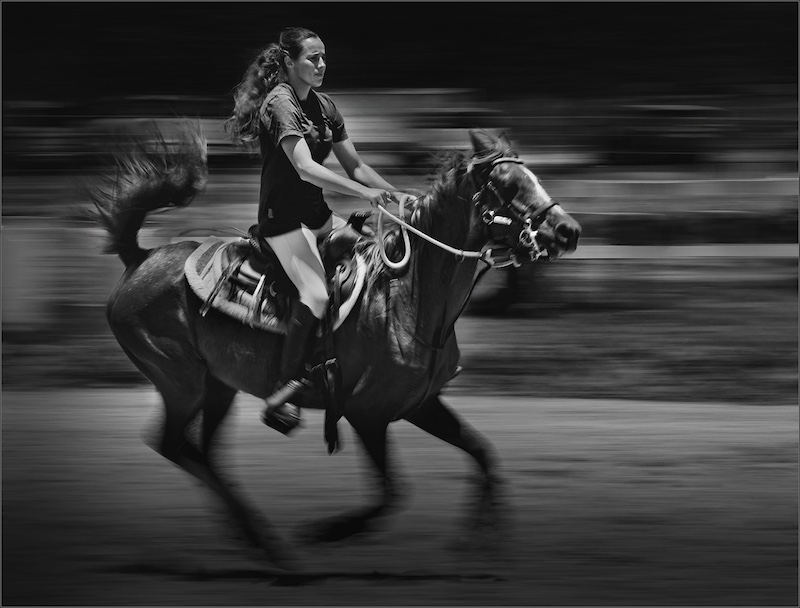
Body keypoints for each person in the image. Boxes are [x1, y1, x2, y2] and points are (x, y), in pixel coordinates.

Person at [225, 27, 414, 435]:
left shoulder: (326, 107)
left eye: (324, 57)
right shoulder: (280, 103)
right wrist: (364, 194)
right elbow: (305, 168)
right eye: (312, 58)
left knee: (375, 266)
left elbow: (356, 167)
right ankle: (285, 387)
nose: (321, 64)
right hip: (283, 224)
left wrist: (395, 195)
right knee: (314, 293)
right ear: (289, 63)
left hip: (319, 219)